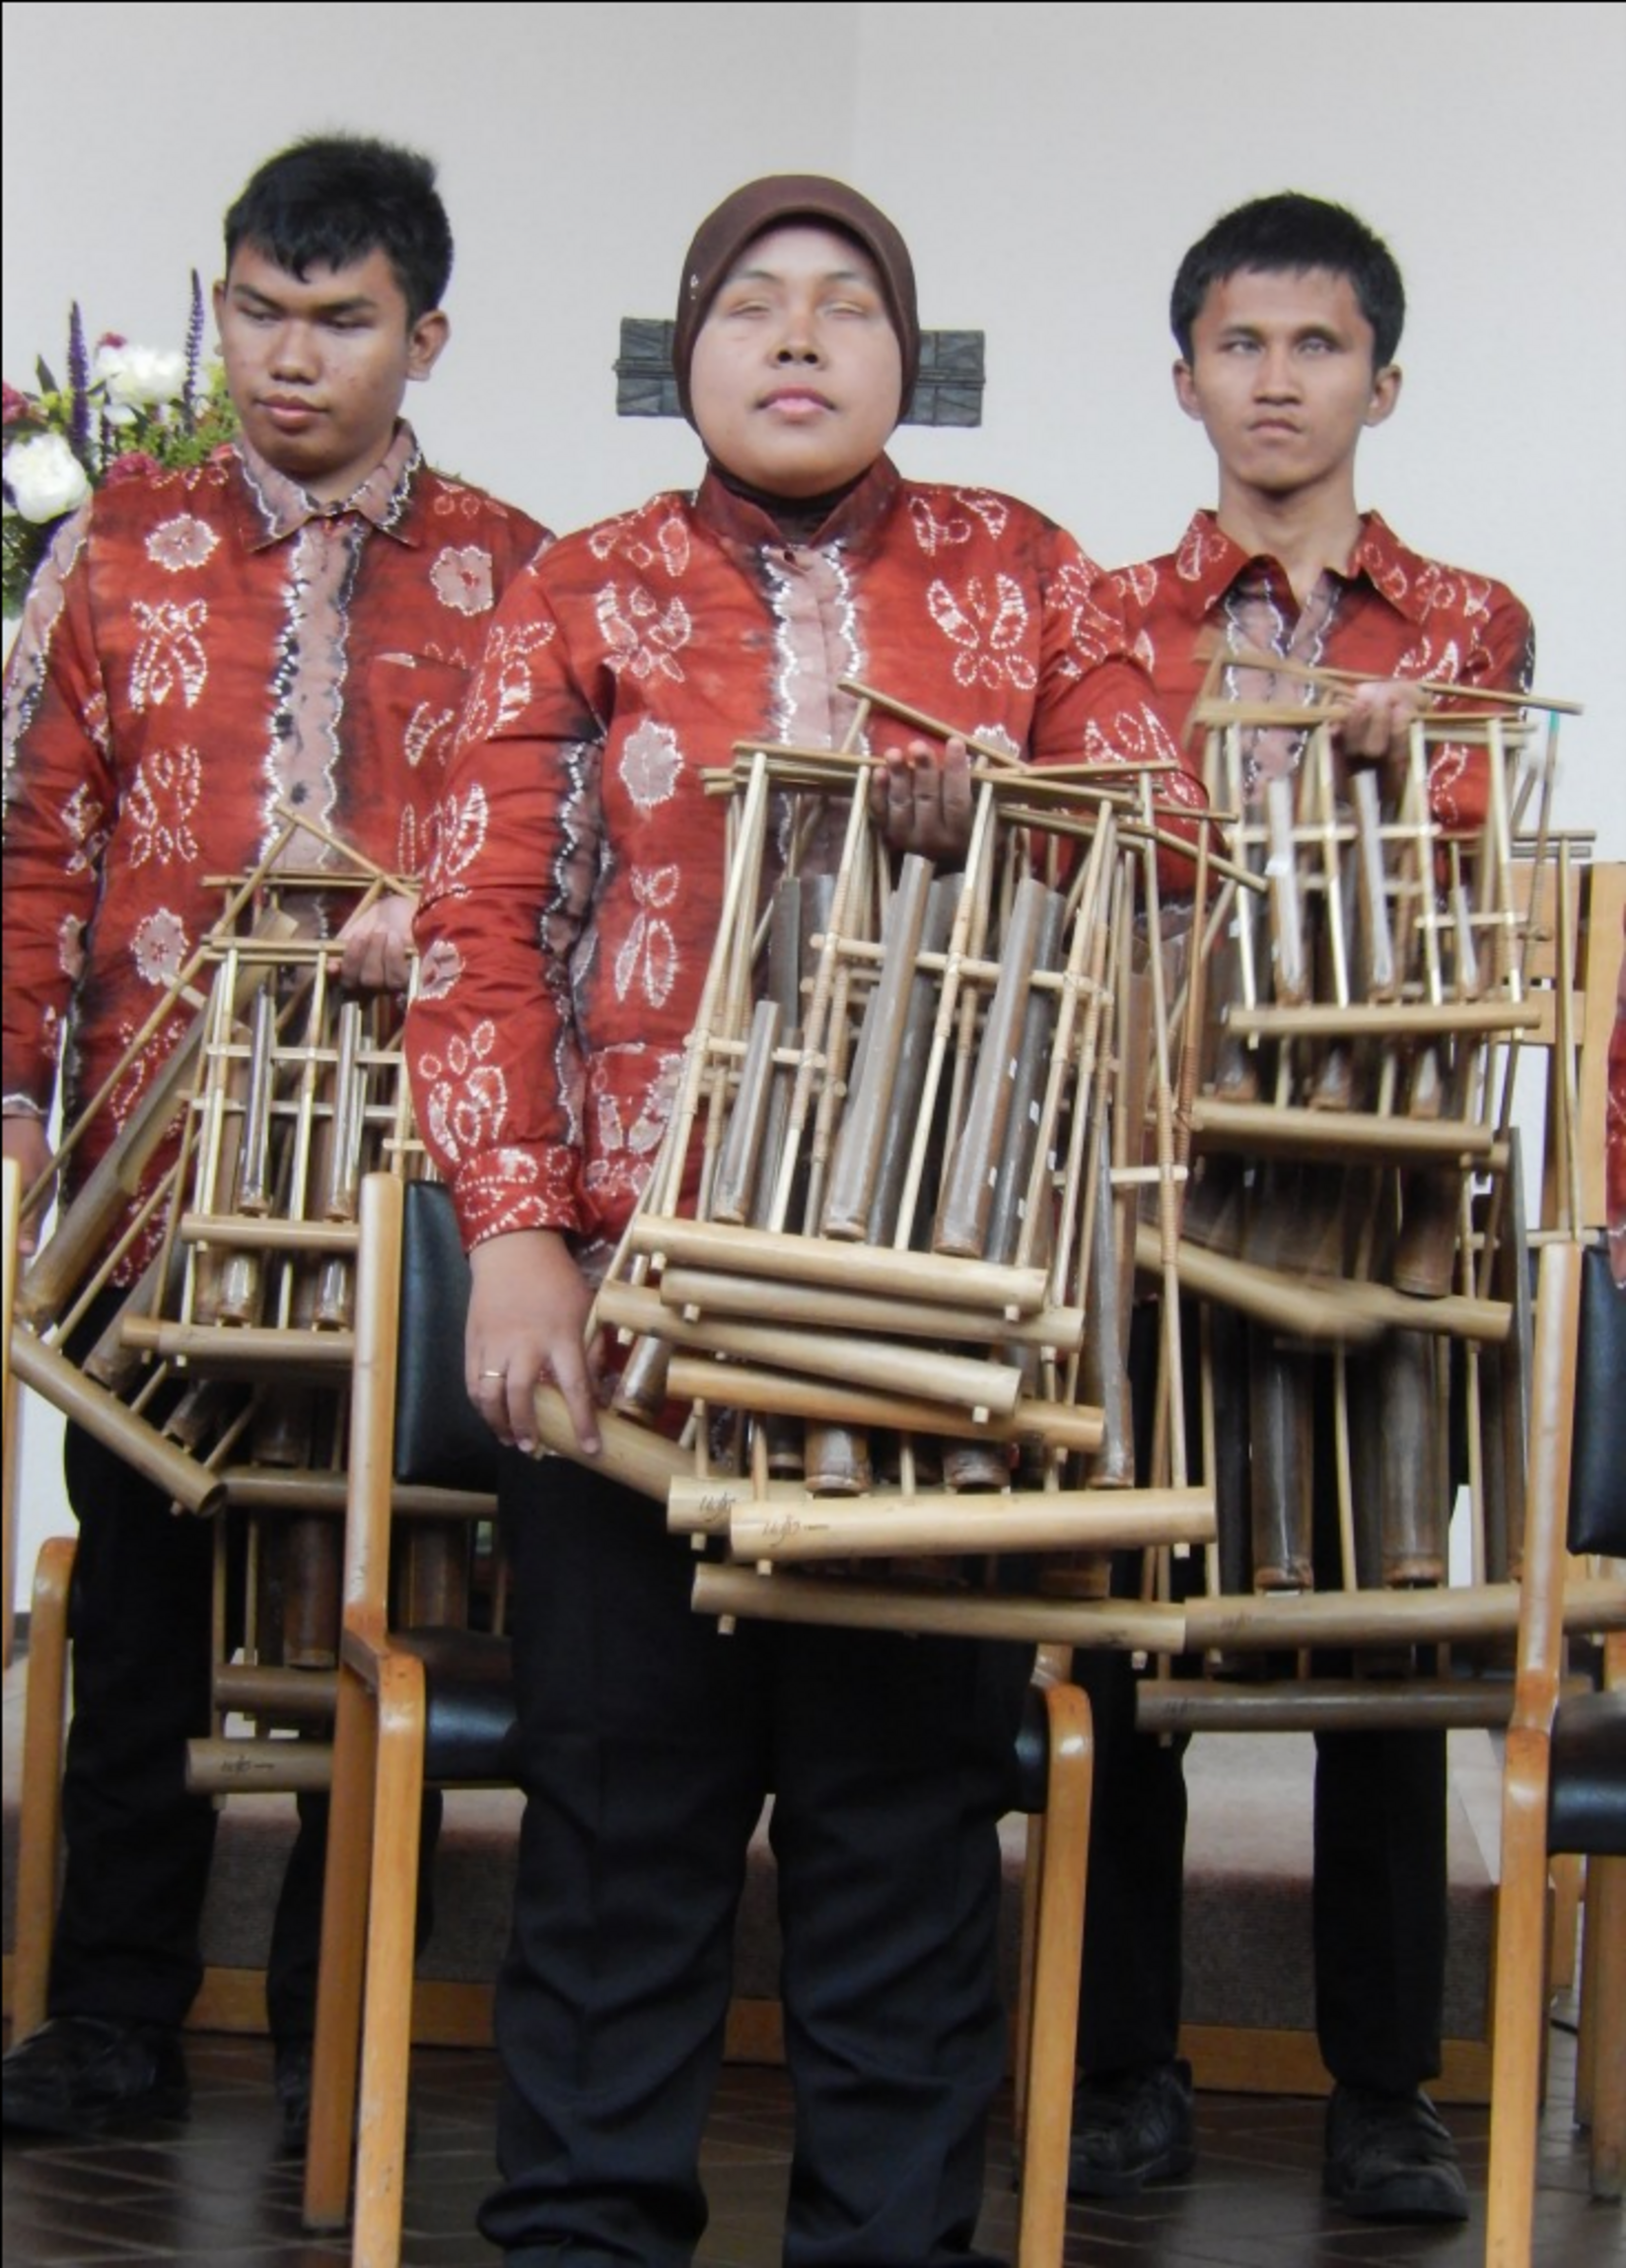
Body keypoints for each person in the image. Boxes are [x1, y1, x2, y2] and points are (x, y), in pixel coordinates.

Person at [405, 174, 1184, 2266]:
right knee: (620, 1823)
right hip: (639, 1309)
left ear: (899, 358)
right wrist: (516, 1235)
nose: (796, 337)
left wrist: (997, 813)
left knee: (900, 1834)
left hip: (934, 1318)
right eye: (749, 303)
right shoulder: (578, 586)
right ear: (689, 350)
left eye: (846, 306)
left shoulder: (1031, 581)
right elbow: (482, 931)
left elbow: (1165, 856)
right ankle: (577, 2234)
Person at [1, 134, 546, 2152]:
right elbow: (34, 856)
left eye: (336, 320)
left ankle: (344, 2002)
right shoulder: (113, 552)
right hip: (147, 1190)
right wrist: (15, 1124)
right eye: (256, 308)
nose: (286, 355)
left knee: (376, 1594)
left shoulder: (518, 573)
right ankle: (112, 2018)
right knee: (137, 1604)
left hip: (393, 1199)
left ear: (424, 334)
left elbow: (541, 876)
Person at [1066, 191, 1532, 2222]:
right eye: (1236, 347)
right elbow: (1103, 866)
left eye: (1313, 347)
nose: (1273, 381)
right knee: (1126, 1612)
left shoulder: (1464, 626)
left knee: (1381, 1631)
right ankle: (1116, 2063)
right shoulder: (1093, 622)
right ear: (1181, 378)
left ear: (1381, 382)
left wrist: (1379, 775)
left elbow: (1459, 863)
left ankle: (1380, 2083)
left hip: (1386, 1188)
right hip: (1158, 1163)